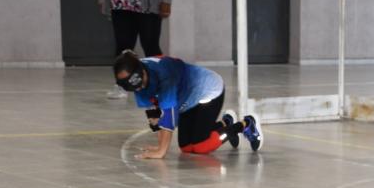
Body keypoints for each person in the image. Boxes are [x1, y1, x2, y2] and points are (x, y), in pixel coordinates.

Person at [112, 51, 263, 159]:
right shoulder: (138, 79)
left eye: (137, 83)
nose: (137, 89)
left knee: (201, 146)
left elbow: (168, 119)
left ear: (140, 71)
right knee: (186, 147)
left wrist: (161, 152)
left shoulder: (165, 75)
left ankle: (246, 124)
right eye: (129, 86)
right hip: (187, 101)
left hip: (208, 92)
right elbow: (156, 115)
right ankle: (226, 122)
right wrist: (159, 144)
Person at [99, 0, 175, 99]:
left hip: (148, 0)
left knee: (150, 44)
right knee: (122, 46)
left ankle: (163, 86)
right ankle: (122, 85)